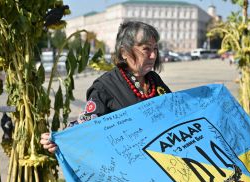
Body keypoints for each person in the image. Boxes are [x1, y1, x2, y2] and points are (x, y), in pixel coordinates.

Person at [40, 21, 171, 153]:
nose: (153, 55)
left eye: (155, 49)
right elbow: (88, 126)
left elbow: (175, 110)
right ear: (124, 52)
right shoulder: (105, 86)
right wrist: (59, 140)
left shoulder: (154, 79)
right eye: (146, 49)